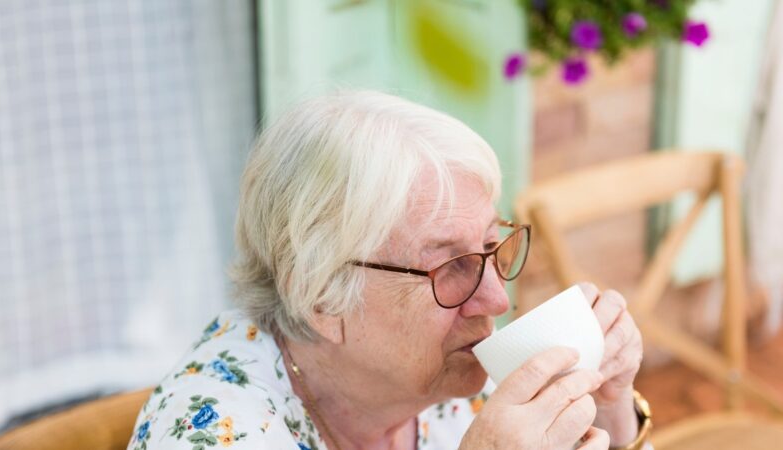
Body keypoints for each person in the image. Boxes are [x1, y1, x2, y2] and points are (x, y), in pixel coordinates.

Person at [127, 91, 647, 450]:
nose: (496, 300)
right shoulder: (213, 432)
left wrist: (607, 408)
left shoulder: (436, 378)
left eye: (491, 245)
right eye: (450, 266)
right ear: (322, 298)